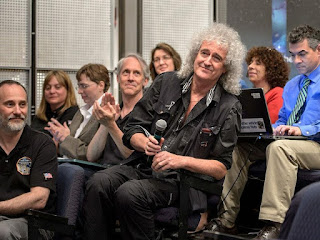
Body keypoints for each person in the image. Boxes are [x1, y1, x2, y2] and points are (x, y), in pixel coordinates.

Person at [81, 22, 246, 239]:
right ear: (195, 55)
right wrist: (143, 142)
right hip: (144, 166)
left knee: (129, 193)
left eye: (217, 58)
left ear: (225, 67)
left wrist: (180, 161)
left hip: (183, 182)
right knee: (98, 182)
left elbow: (220, 168)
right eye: (204, 53)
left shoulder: (229, 106)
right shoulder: (167, 82)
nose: (207, 61)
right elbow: (133, 128)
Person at [208, 24, 320, 240]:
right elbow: (283, 118)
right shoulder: (293, 85)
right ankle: (226, 220)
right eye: (293, 55)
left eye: (302, 54)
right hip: (293, 142)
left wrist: (301, 129)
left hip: (315, 144)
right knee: (238, 149)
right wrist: (277, 127)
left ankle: (275, 224)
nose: (297, 61)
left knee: (280, 148)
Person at [205, 46, 289, 233]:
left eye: (258, 63)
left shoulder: (278, 93)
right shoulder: (246, 96)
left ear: (271, 68)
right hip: (248, 144)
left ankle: (262, 223)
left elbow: (272, 124)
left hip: (270, 146)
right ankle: (225, 219)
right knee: (228, 151)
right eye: (250, 62)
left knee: (233, 150)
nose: (251, 66)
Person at [0, 80, 57, 239]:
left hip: (34, 222)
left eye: (22, 104)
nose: (18, 111)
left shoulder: (42, 143)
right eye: (10, 104)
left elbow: (39, 199)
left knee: (2, 231)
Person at [86, 53, 149, 164]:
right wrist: (105, 123)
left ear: (145, 81)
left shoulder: (148, 114)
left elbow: (133, 158)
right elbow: (91, 156)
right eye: (126, 72)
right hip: (102, 170)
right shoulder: (112, 111)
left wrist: (111, 125)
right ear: (118, 78)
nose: (130, 78)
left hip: (128, 176)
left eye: (136, 73)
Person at [45, 63, 110, 160]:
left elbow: (88, 154)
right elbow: (66, 148)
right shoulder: (81, 112)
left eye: (84, 86)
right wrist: (62, 140)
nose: (79, 91)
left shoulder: (107, 113)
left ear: (101, 85)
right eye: (79, 86)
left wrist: (65, 139)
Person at [31, 70, 78, 136]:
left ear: (68, 90)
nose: (52, 91)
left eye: (57, 87)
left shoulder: (75, 115)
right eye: (48, 88)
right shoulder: (39, 117)